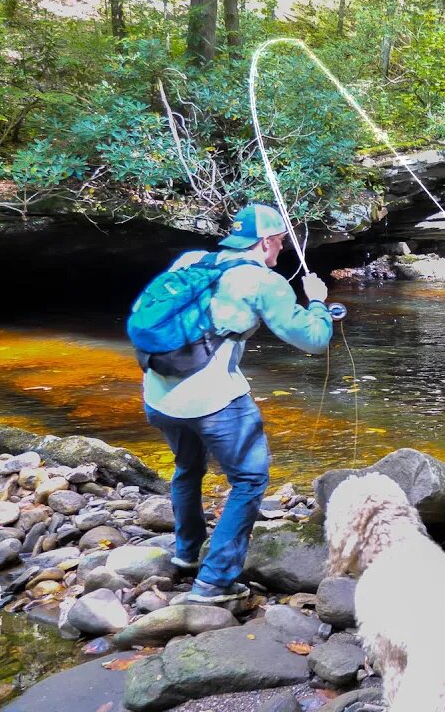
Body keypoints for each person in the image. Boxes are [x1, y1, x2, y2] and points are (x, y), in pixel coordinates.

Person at [142, 203, 332, 604]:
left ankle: (186, 553)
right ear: (265, 242)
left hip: (158, 394)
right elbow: (313, 340)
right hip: (212, 400)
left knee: (187, 467)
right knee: (249, 479)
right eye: (280, 242)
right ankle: (214, 583)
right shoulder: (265, 281)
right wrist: (317, 302)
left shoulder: (191, 259)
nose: (281, 250)